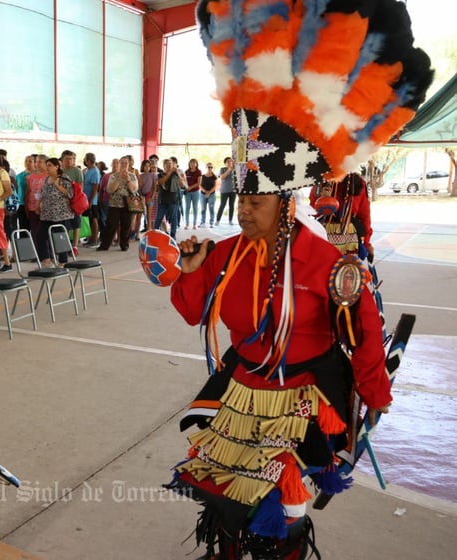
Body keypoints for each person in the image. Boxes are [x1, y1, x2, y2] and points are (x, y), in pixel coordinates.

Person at [162, 1, 432, 558]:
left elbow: (363, 343)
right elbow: (193, 312)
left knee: (281, 516)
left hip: (305, 400)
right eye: (241, 200)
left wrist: (374, 400)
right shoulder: (226, 254)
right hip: (239, 394)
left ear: (285, 204)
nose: (243, 212)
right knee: (223, 504)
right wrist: (186, 273)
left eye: (256, 202)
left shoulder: (333, 270)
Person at [37, 157, 74, 266]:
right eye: (46, 165)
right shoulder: (47, 178)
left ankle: (62, 262)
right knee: (40, 235)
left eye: (49, 165)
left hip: (60, 215)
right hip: (46, 214)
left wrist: (58, 186)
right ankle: (46, 260)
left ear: (57, 167)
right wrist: (39, 205)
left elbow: (70, 194)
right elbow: (43, 193)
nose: (47, 167)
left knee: (60, 238)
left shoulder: (64, 178)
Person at [97, 156, 137, 252]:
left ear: (129, 165)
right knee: (111, 225)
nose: (123, 165)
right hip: (114, 204)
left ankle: (124, 245)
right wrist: (119, 178)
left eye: (125, 163)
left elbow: (133, 190)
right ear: (119, 164)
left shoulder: (132, 176)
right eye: (122, 163)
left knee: (126, 226)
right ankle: (105, 245)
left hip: (128, 204)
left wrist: (127, 180)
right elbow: (110, 190)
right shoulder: (113, 176)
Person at [154, 158, 182, 238]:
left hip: (173, 199)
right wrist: (169, 173)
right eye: (167, 164)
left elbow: (182, 184)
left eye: (171, 163)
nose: (169, 165)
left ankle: (173, 235)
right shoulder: (160, 174)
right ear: (164, 166)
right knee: (159, 217)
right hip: (162, 199)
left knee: (173, 217)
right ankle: (155, 234)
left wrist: (177, 173)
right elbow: (161, 182)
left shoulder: (176, 174)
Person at [82, 152, 101, 247]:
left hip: (92, 200)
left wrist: (90, 201)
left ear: (88, 160)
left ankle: (95, 239)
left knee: (94, 219)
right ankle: (90, 238)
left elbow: (95, 187)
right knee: (88, 219)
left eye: (85, 159)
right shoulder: (88, 170)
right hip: (86, 199)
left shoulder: (95, 171)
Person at [215, 157, 236, 226]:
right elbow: (222, 177)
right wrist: (229, 169)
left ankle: (230, 220)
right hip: (224, 190)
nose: (230, 162)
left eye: (231, 161)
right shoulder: (222, 169)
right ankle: (217, 220)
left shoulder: (235, 169)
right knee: (222, 205)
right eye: (228, 161)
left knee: (231, 205)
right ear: (225, 163)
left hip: (233, 190)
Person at [183, 158, 202, 230]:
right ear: (189, 164)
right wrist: (186, 187)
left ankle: (194, 224)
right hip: (187, 192)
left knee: (195, 208)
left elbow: (199, 183)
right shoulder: (186, 172)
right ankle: (187, 224)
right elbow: (184, 181)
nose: (192, 164)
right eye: (191, 163)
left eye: (194, 163)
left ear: (196, 164)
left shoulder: (198, 172)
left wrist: (191, 187)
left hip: (195, 192)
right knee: (187, 208)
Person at [199, 162, 217, 228]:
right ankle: (202, 222)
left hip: (212, 194)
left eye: (211, 167)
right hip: (202, 194)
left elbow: (215, 186)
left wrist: (209, 192)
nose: (210, 168)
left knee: (211, 208)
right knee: (203, 209)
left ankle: (211, 222)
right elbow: (200, 185)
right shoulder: (202, 176)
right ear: (206, 167)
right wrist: (205, 191)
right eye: (208, 167)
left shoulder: (214, 177)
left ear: (212, 168)